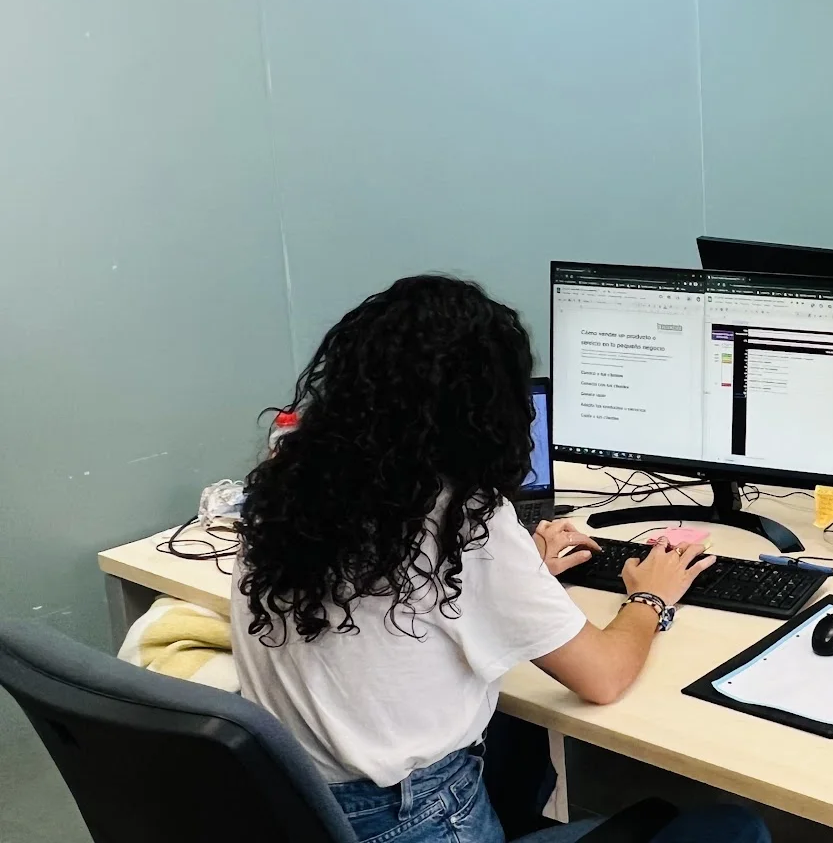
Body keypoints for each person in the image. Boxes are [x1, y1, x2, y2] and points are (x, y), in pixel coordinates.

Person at [231, 274, 770, 843]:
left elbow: (401, 602)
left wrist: (519, 576)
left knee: (519, 735)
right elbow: (604, 677)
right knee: (733, 829)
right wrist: (650, 597)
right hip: (417, 819)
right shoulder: (462, 520)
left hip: (301, 808)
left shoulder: (287, 495)